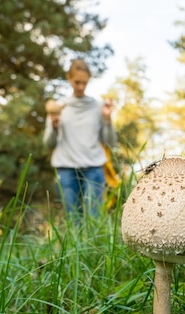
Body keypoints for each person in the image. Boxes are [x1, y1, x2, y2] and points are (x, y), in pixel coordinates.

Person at [43, 59, 117, 220]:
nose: (81, 87)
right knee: (73, 219)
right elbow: (48, 143)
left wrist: (107, 120)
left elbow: (111, 141)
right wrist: (54, 126)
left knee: (94, 218)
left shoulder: (98, 107)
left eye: (84, 82)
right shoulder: (59, 107)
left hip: (94, 168)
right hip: (66, 168)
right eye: (77, 82)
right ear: (69, 79)